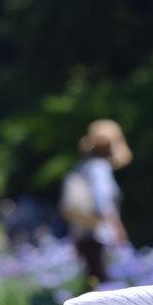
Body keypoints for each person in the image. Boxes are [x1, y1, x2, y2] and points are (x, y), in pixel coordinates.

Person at [62, 119, 132, 286]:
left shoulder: (82, 165)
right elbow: (103, 201)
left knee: (92, 275)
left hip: (84, 227)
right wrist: (117, 227)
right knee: (102, 278)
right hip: (99, 230)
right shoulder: (100, 167)